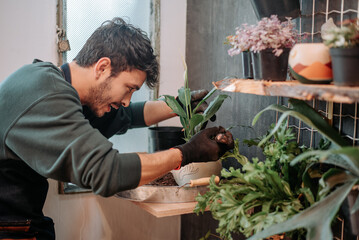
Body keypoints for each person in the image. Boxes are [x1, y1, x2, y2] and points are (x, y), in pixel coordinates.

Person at [0, 17, 234, 239]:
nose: (126, 100)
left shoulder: (55, 85)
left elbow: (128, 115)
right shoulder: (46, 94)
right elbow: (106, 171)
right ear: (102, 67)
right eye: (129, 88)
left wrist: (179, 106)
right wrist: (187, 152)